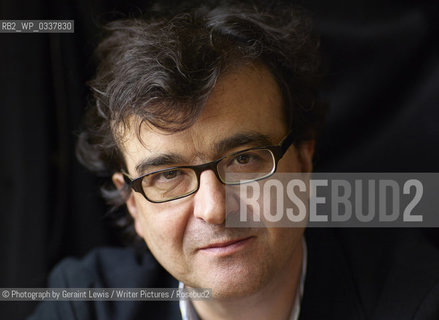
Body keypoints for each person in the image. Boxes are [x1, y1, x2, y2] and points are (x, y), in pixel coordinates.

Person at [28, 1, 439, 319]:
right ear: (132, 202)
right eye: (168, 174)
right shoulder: (86, 304)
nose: (215, 209)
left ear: (304, 160)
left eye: (244, 160)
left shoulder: (416, 296)